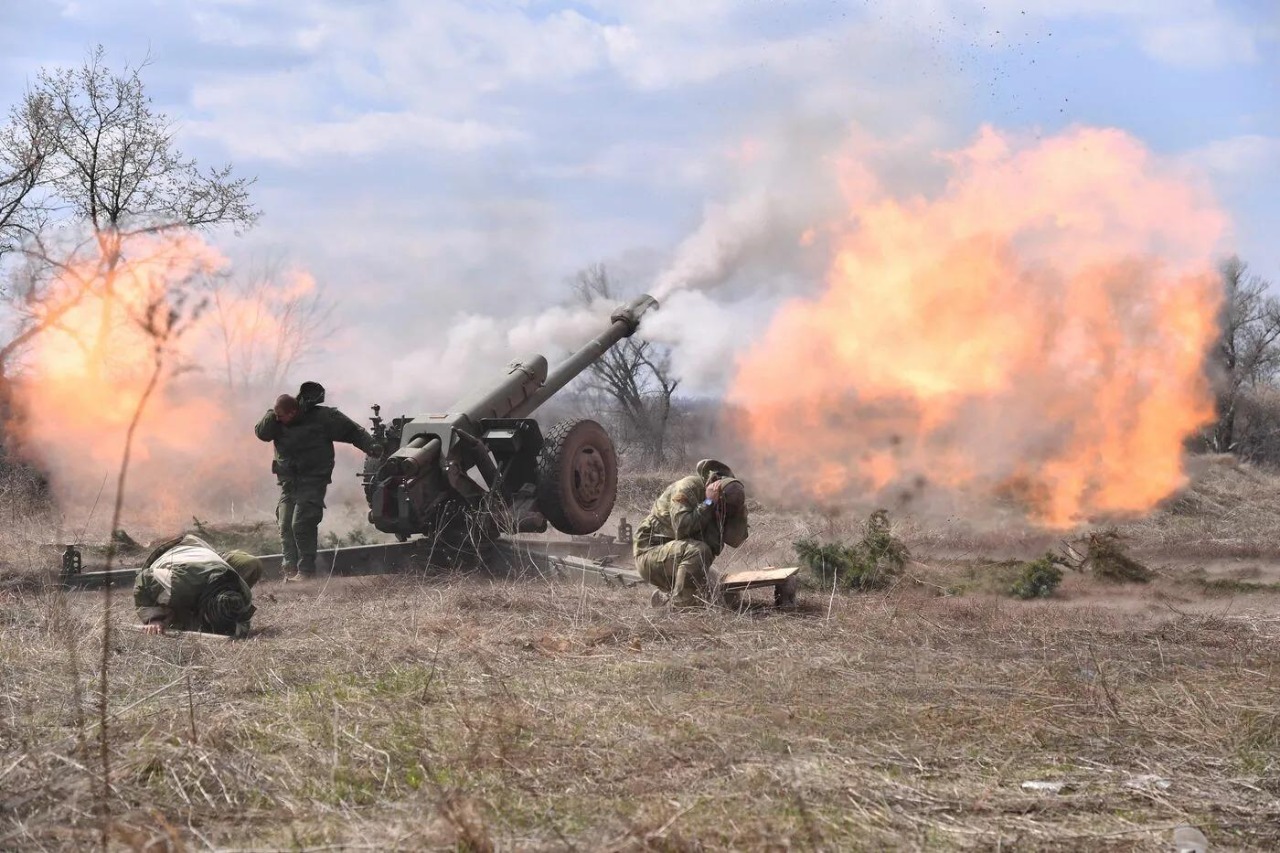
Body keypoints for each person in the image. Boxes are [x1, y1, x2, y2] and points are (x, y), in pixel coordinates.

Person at [255, 381, 380, 581]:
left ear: (293, 412)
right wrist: (272, 414)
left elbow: (352, 431)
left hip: (312, 480)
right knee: (285, 523)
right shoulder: (276, 422)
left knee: (301, 524)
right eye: (276, 416)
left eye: (281, 416)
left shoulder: (322, 418)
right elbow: (261, 433)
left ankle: (306, 571)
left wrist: (373, 447)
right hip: (288, 483)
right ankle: (290, 568)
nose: (278, 420)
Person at [633, 459, 749, 608]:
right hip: (650, 553)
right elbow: (682, 528)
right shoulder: (687, 487)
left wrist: (740, 511)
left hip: (679, 556)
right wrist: (708, 503)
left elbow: (735, 540)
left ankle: (665, 598)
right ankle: (681, 608)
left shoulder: (726, 504)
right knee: (699, 552)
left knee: (727, 595)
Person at [133, 533, 263, 637]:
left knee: (251, 563)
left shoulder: (243, 596)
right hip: (174, 553)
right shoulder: (180, 586)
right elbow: (144, 579)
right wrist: (154, 619)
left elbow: (242, 625)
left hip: (208, 555)